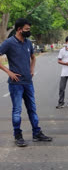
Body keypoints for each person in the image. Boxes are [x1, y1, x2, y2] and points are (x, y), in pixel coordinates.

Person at [0, 18, 52, 147]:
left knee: (32, 109)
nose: (29, 31)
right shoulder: (9, 43)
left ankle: (37, 133)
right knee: (17, 110)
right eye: (27, 29)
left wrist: (32, 69)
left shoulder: (28, 43)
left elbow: (33, 57)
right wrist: (9, 72)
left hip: (28, 82)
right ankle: (18, 135)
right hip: (16, 84)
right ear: (19, 29)